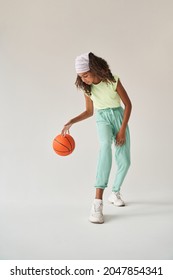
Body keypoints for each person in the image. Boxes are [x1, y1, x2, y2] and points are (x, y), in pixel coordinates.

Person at [61, 52, 132, 224]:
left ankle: (115, 192)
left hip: (119, 117)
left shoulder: (113, 80)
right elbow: (89, 111)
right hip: (102, 119)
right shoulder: (87, 88)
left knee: (125, 160)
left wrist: (121, 130)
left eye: (85, 75)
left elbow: (128, 105)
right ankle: (97, 202)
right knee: (105, 147)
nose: (83, 79)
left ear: (95, 69)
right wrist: (72, 121)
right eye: (80, 76)